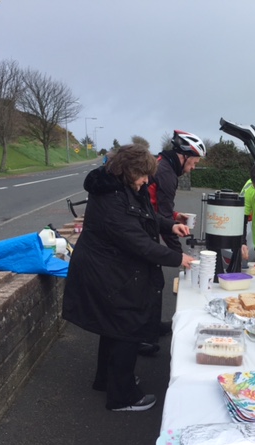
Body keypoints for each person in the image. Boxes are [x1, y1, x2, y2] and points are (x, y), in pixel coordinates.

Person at [62, 144, 192, 411]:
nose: (146, 181)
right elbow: (135, 241)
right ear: (128, 170)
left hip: (110, 266)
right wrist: (178, 259)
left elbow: (145, 216)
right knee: (126, 324)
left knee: (113, 325)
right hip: (104, 269)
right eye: (143, 176)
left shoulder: (123, 187)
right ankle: (122, 396)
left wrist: (169, 224)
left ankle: (106, 380)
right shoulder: (110, 197)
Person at [144, 130, 205, 353]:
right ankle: (145, 339)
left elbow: (161, 209)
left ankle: (152, 327)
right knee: (150, 283)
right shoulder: (167, 174)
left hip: (148, 222)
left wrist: (176, 215)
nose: (193, 168)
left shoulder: (162, 164)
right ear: (184, 156)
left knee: (153, 282)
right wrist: (180, 256)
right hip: (142, 229)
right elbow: (166, 222)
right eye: (194, 162)